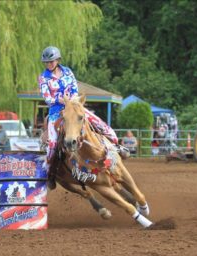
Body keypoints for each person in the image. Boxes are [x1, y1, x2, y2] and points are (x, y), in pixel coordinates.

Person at [38, 46, 130, 189]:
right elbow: (46, 97)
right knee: (52, 144)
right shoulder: (44, 77)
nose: (49, 64)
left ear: (57, 60)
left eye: (51, 61)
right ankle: (50, 173)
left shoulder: (67, 72)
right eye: (47, 62)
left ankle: (117, 147)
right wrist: (60, 100)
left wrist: (73, 99)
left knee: (103, 127)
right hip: (57, 111)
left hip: (75, 107)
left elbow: (74, 88)